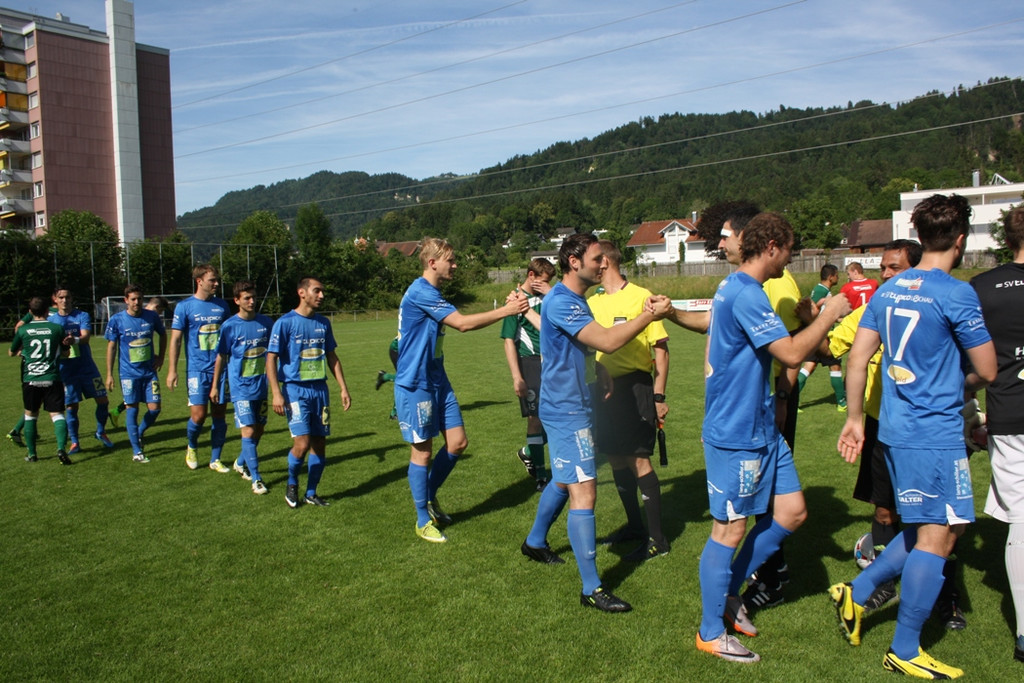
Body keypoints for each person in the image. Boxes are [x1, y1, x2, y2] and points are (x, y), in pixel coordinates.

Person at [831, 194, 996, 679]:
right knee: (938, 537)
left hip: (896, 431)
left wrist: (856, 417)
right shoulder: (956, 292)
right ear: (961, 240)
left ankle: (856, 595)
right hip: (934, 433)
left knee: (935, 526)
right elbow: (986, 368)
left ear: (919, 237)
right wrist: (953, 382)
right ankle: (905, 648)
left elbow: (857, 357)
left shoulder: (891, 289)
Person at [695, 213, 850, 663]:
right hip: (737, 430)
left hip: (762, 425)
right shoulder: (744, 292)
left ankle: (728, 593)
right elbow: (791, 352)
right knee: (729, 529)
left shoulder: (747, 290)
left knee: (793, 511)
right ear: (772, 247)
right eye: (790, 249)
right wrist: (830, 314)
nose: (792, 257)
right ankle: (709, 632)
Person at [521, 232, 672, 613]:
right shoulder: (563, 302)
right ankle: (591, 588)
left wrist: (598, 373)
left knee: (563, 478)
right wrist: (648, 314)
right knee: (585, 491)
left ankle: (535, 541)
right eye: (596, 258)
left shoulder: (576, 299)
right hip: (566, 409)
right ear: (574, 261)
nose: (602, 264)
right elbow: (605, 340)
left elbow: (584, 347)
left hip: (577, 403)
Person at [395, 237, 529, 542]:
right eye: (451, 261)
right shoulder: (421, 291)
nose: (455, 265)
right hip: (416, 383)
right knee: (423, 451)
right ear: (432, 263)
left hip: (437, 379)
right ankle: (421, 520)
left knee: (457, 442)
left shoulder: (433, 292)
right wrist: (507, 310)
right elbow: (463, 324)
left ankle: (428, 495)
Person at [821, 240, 922, 614]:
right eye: (883, 267)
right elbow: (830, 349)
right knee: (884, 511)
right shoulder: (870, 310)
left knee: (932, 517)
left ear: (916, 270)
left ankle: (946, 597)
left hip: (921, 427)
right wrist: (809, 325)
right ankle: (883, 583)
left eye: (895, 267)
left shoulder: (932, 310)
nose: (886, 274)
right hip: (879, 426)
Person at [587, 240, 672, 561]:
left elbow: (661, 350)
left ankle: (658, 539)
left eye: (595, 260)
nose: (592, 266)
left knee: (638, 459)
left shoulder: (640, 296)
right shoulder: (592, 301)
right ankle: (635, 526)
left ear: (605, 261)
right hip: (603, 389)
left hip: (635, 387)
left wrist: (659, 395)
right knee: (615, 457)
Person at [970, 205, 1024, 663]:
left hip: (1010, 416)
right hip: (1010, 417)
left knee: (1022, 523)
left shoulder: (983, 288)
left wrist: (969, 414)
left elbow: (967, 366)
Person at [267, 277, 351, 508]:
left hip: (320, 391)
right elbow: (271, 358)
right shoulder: (285, 323)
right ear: (301, 292)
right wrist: (276, 392)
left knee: (319, 444)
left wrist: (343, 387)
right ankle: (292, 483)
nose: (322, 295)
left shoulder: (323, 323)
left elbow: (331, 357)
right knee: (302, 444)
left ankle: (311, 492)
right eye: (317, 291)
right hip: (295, 390)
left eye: (323, 291)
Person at [210, 281, 274, 495]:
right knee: (247, 430)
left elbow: (273, 355)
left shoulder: (266, 323)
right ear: (237, 300)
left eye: (253, 296)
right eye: (247, 298)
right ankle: (256, 479)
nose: (252, 301)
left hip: (261, 386)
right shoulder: (229, 326)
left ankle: (239, 461)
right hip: (240, 388)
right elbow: (221, 356)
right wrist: (215, 386)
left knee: (259, 429)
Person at [167, 265, 230, 472]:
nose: (216, 283)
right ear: (199, 281)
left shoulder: (222, 306)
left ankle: (215, 459)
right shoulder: (184, 307)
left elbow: (229, 338)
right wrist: (172, 370)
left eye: (216, 280)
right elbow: (175, 340)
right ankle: (192, 446)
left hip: (221, 370)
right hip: (196, 370)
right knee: (199, 416)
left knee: (219, 414)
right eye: (212, 280)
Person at [500, 257, 554, 491]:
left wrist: (549, 292)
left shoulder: (549, 297)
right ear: (531, 275)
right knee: (535, 418)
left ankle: (529, 452)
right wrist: (517, 377)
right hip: (530, 363)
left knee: (554, 417)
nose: (545, 285)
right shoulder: (515, 300)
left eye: (548, 283)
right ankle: (541, 475)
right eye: (542, 281)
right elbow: (509, 342)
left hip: (553, 363)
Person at [48, 286, 116, 454]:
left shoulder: (82, 316)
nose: (65, 300)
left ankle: (101, 432)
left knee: (103, 400)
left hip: (87, 368)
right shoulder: (51, 322)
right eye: (61, 297)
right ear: (55, 300)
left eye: (68, 297)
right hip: (66, 371)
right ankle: (75, 442)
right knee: (71, 407)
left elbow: (85, 337)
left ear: (71, 299)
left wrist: (75, 340)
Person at [104, 284, 166, 463]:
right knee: (132, 408)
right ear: (126, 301)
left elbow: (163, 335)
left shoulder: (152, 316)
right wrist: (109, 374)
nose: (137, 302)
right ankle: (137, 451)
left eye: (139, 298)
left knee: (155, 409)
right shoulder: (117, 320)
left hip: (149, 373)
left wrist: (161, 358)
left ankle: (138, 433)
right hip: (128, 374)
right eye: (133, 299)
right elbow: (112, 346)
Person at [9, 296, 72, 464]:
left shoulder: (23, 330)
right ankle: (61, 449)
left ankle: (32, 454)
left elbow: (11, 352)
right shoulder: (57, 328)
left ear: (30, 312)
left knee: (30, 416)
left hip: (30, 378)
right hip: (52, 377)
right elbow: (66, 353)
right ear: (47, 311)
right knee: (57, 415)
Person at [108, 296, 168, 425]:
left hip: (147, 369)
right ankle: (118, 414)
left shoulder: (150, 317)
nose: (161, 314)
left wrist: (158, 355)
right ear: (157, 307)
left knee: (144, 401)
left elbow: (158, 336)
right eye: (161, 311)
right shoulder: (125, 318)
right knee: (134, 401)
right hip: (130, 370)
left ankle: (117, 412)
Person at [796, 264, 847, 411]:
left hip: (815, 335)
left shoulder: (822, 290)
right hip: (822, 336)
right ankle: (841, 403)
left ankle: (794, 400)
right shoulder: (821, 291)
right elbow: (812, 309)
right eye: (837, 275)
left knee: (809, 367)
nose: (838, 277)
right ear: (831, 277)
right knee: (835, 366)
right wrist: (823, 303)